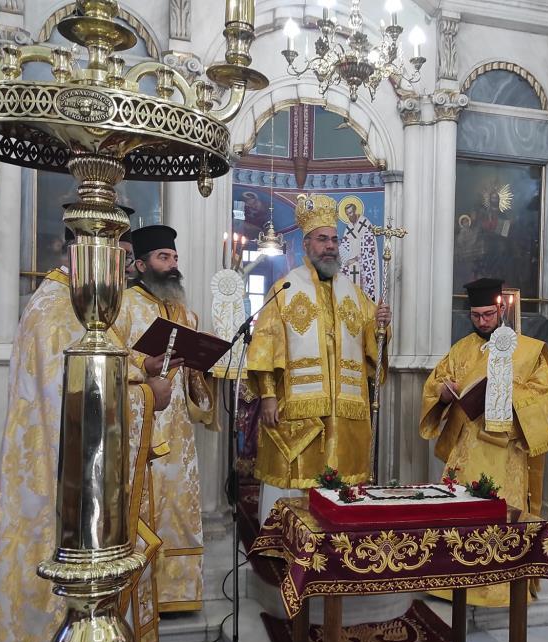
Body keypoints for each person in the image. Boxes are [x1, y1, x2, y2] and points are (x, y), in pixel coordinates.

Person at [0, 233, 173, 642]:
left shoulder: (65, 308)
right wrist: (150, 392)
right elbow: (80, 410)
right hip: (60, 510)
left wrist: (139, 372)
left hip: (72, 498)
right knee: (62, 620)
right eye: (116, 259)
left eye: (123, 260)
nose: (122, 270)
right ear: (86, 260)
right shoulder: (60, 313)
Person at [247, 193, 391, 525]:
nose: (330, 246)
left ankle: (338, 541)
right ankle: (284, 540)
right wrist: (268, 395)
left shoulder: (354, 294)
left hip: (344, 408)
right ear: (307, 244)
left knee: (340, 481)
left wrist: (381, 324)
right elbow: (266, 343)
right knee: (297, 475)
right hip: (300, 407)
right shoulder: (284, 289)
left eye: (334, 240)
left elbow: (373, 344)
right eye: (322, 239)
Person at [420, 278, 548, 607]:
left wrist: (507, 392)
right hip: (467, 448)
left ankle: (498, 585)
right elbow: (436, 384)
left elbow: (542, 394)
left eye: (488, 315)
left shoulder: (528, 349)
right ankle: (453, 581)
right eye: (476, 316)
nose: (483, 322)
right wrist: (443, 391)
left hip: (506, 448)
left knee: (500, 513)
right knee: (461, 515)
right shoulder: (461, 349)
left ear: (501, 311)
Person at [113, 224, 216, 613]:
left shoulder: (184, 312)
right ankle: (138, 592)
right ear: (140, 264)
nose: (173, 265)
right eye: (163, 258)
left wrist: (203, 364)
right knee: (143, 502)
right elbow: (112, 359)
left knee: (178, 504)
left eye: (174, 258)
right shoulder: (123, 306)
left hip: (178, 429)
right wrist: (144, 364)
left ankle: (176, 595)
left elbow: (194, 377)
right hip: (140, 422)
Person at [337, 195, 378, 300]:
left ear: (355, 210)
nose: (350, 216)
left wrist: (361, 255)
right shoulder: (349, 227)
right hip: (353, 263)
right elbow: (345, 244)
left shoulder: (365, 222)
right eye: (347, 214)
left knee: (365, 287)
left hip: (365, 262)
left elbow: (370, 241)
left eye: (351, 213)